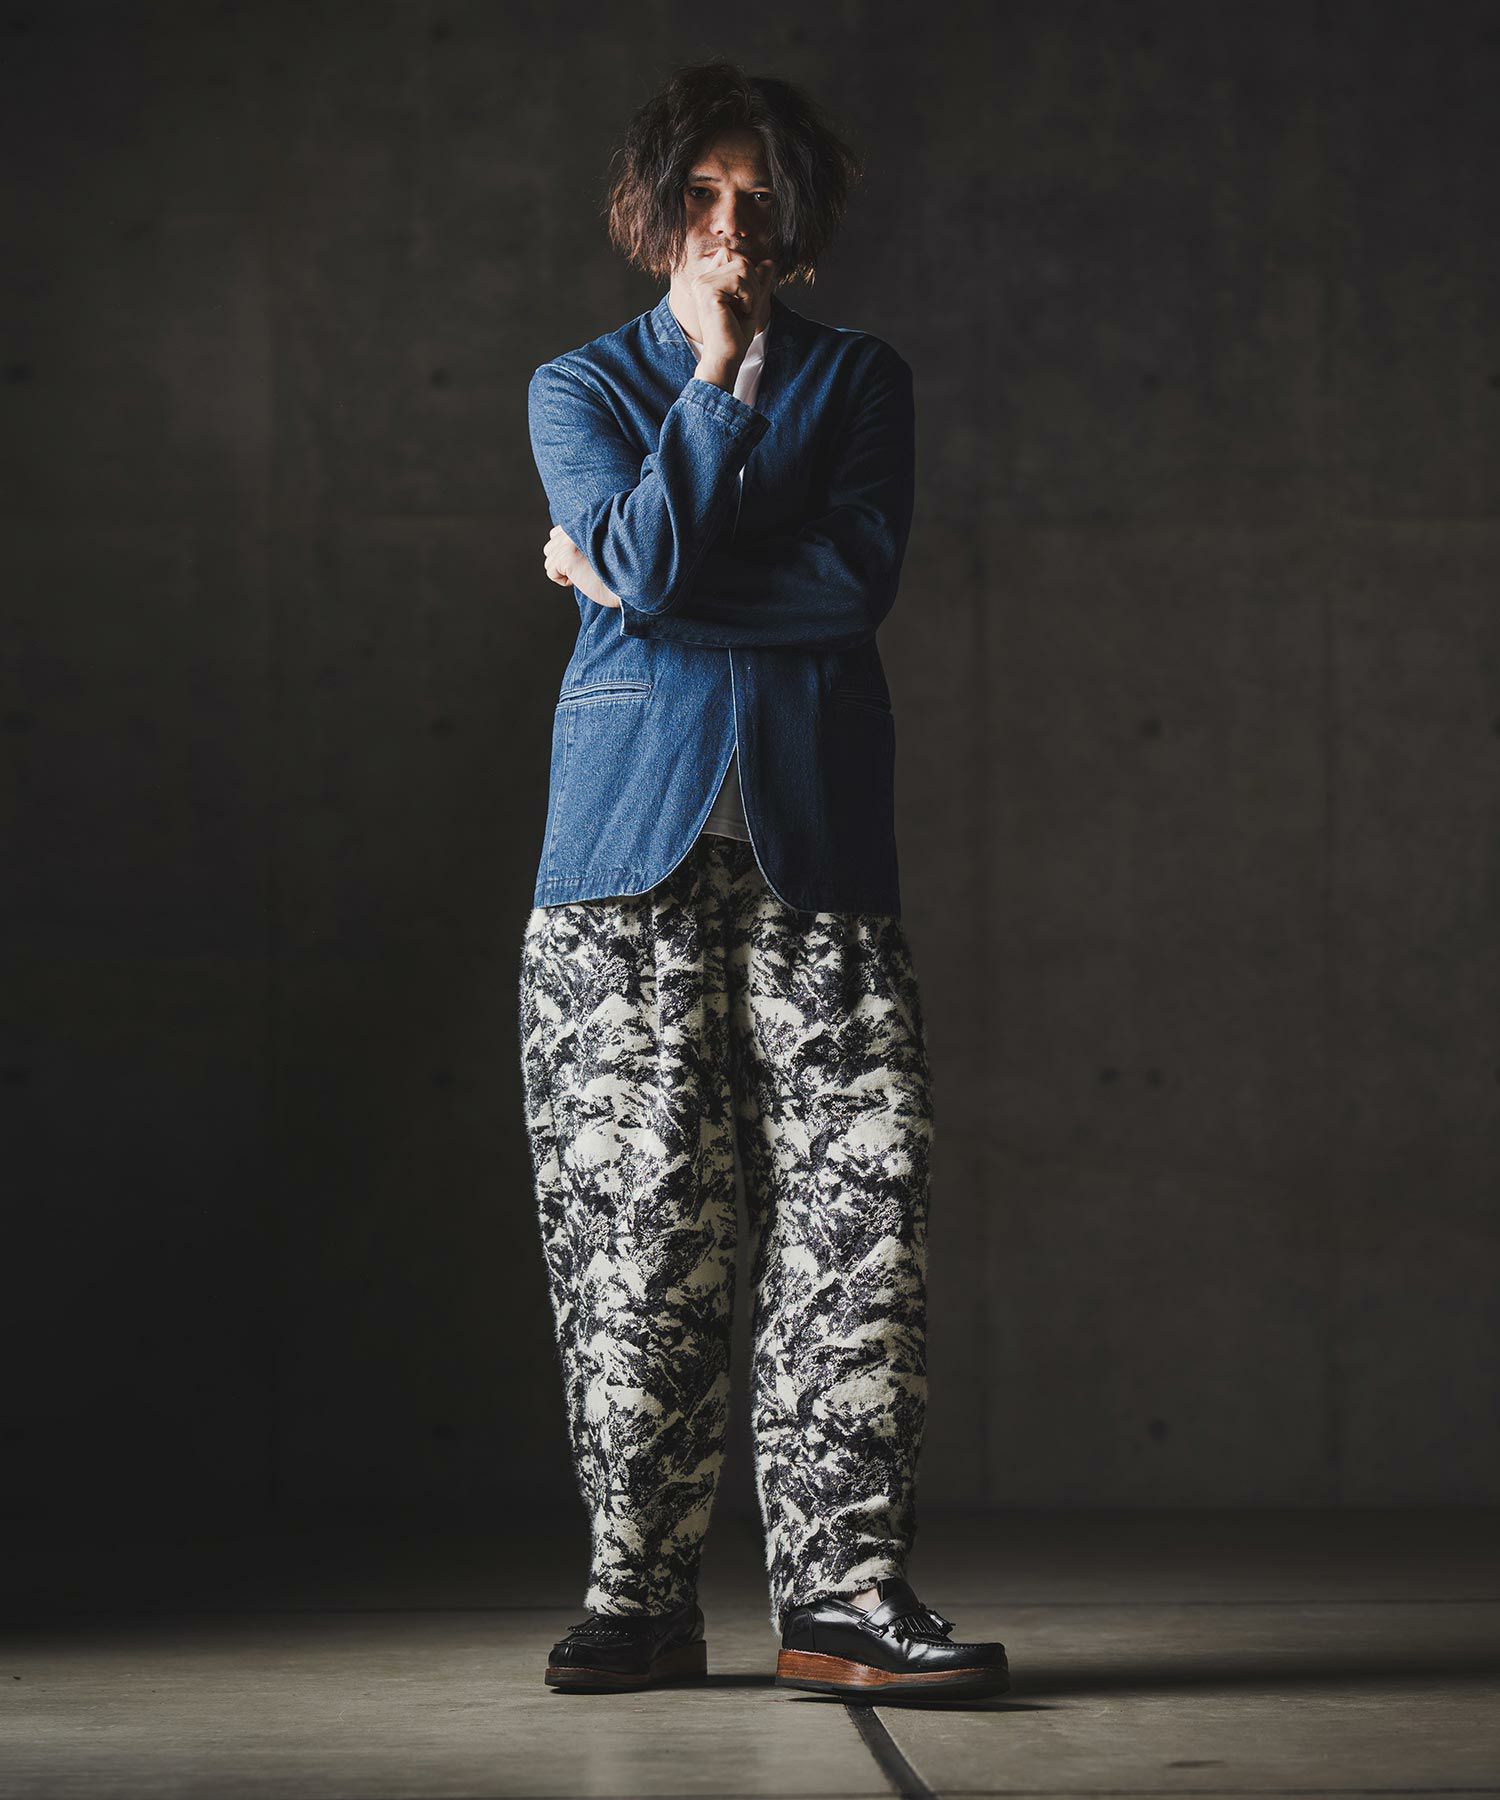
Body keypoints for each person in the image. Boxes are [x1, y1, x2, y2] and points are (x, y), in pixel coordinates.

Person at [518, 58, 1007, 1703]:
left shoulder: (864, 380)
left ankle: (844, 1596)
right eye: (705, 194)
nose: (732, 225)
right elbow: (662, 559)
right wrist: (716, 390)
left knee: (865, 1208)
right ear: (657, 209)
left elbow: (847, 587)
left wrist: (623, 576)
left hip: (818, 857)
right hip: (619, 867)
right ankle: (640, 1598)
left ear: (800, 221)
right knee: (640, 1235)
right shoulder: (579, 388)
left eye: (760, 198)